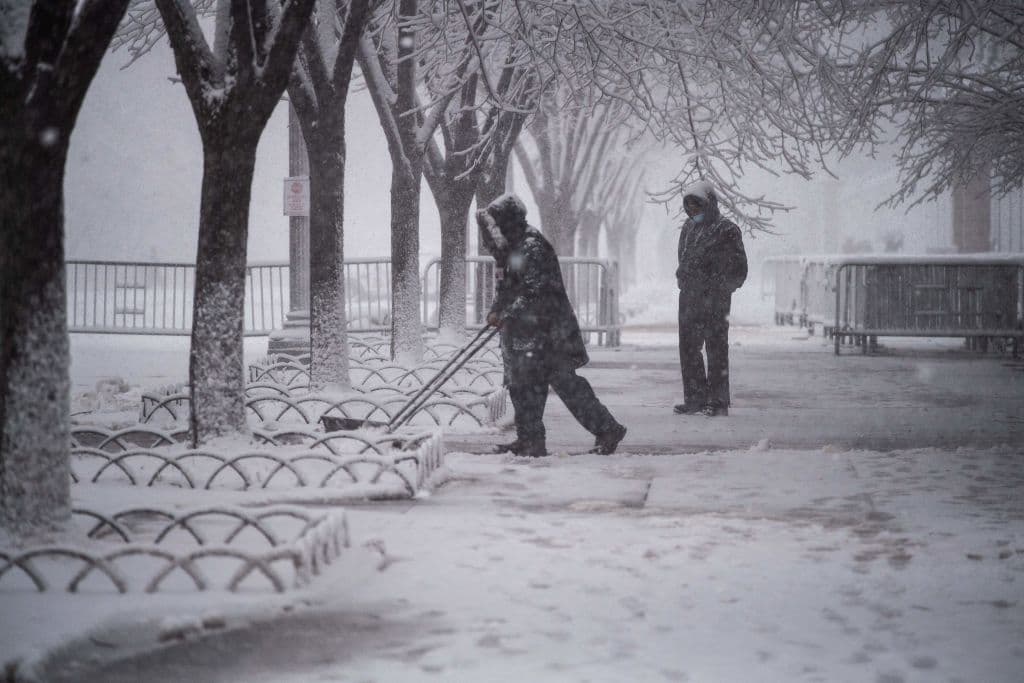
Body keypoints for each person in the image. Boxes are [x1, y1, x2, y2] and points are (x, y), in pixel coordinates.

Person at [477, 194, 627, 457]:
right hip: (531, 332)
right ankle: (530, 440)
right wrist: (496, 311)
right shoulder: (514, 247)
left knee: (564, 385)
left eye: (499, 224)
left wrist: (507, 313)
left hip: (550, 332)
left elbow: (535, 291)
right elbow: (508, 288)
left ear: (510, 221)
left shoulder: (531, 246)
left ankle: (607, 428)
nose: (496, 231)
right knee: (523, 385)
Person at [673, 181, 747, 417]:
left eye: (698, 208)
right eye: (690, 209)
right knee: (689, 349)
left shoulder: (727, 230)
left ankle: (718, 401)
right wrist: (684, 280)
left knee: (716, 349)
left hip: (715, 300)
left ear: (709, 204)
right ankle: (695, 398)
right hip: (689, 298)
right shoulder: (688, 228)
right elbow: (683, 259)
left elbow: (739, 269)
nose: (694, 213)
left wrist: (720, 288)